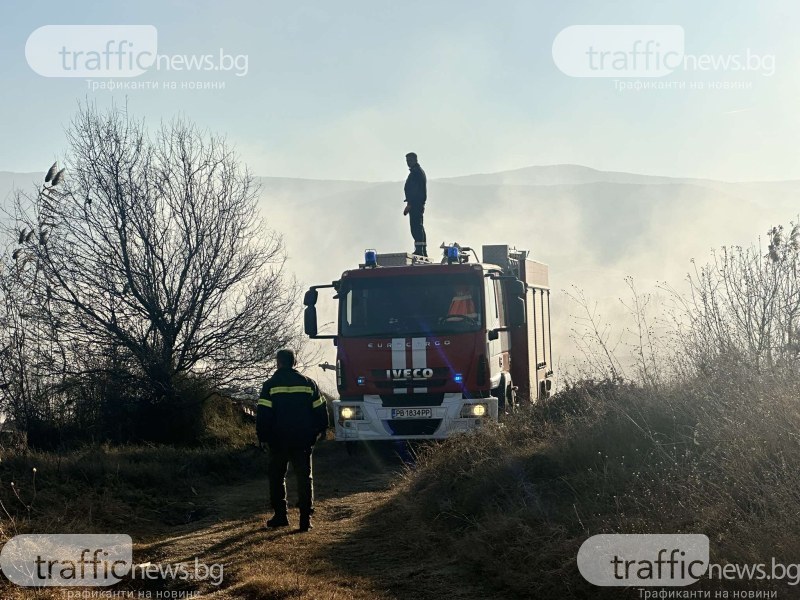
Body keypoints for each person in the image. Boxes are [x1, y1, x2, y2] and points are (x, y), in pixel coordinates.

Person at [257, 349, 329, 532]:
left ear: (278, 363)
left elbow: (264, 414)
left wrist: (263, 437)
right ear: (294, 362)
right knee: (304, 478)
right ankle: (305, 520)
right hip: (303, 439)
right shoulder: (308, 383)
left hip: (278, 440)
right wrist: (322, 429)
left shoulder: (270, 385)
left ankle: (281, 516)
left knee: (277, 477)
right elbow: (320, 408)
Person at [403, 152, 427, 257]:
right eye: (407, 161)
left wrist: (410, 204)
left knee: (416, 227)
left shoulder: (416, 173)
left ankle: (419, 250)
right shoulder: (417, 172)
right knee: (419, 226)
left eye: (410, 160)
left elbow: (415, 191)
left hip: (415, 204)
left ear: (415, 160)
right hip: (417, 204)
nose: (408, 163)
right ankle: (422, 250)